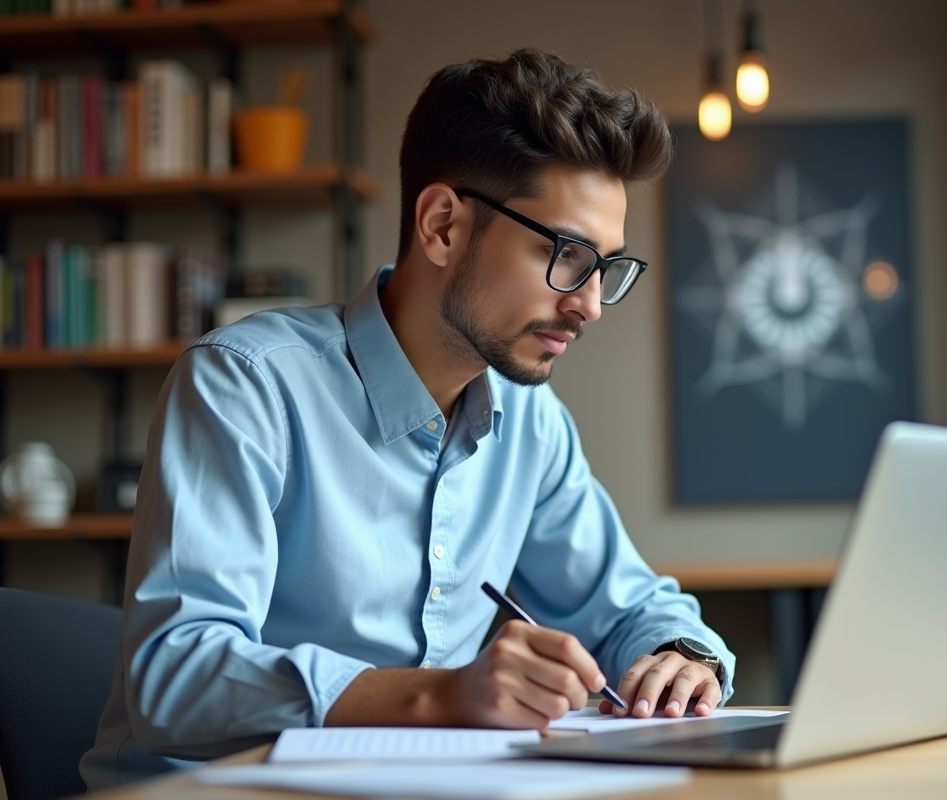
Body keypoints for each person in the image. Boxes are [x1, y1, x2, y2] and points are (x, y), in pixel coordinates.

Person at [80, 48, 735, 789]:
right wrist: (439, 696)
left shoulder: (530, 423)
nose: (587, 303)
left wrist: (684, 659)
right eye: (568, 255)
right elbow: (178, 676)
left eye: (606, 268)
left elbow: (629, 607)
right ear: (443, 226)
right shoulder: (245, 386)